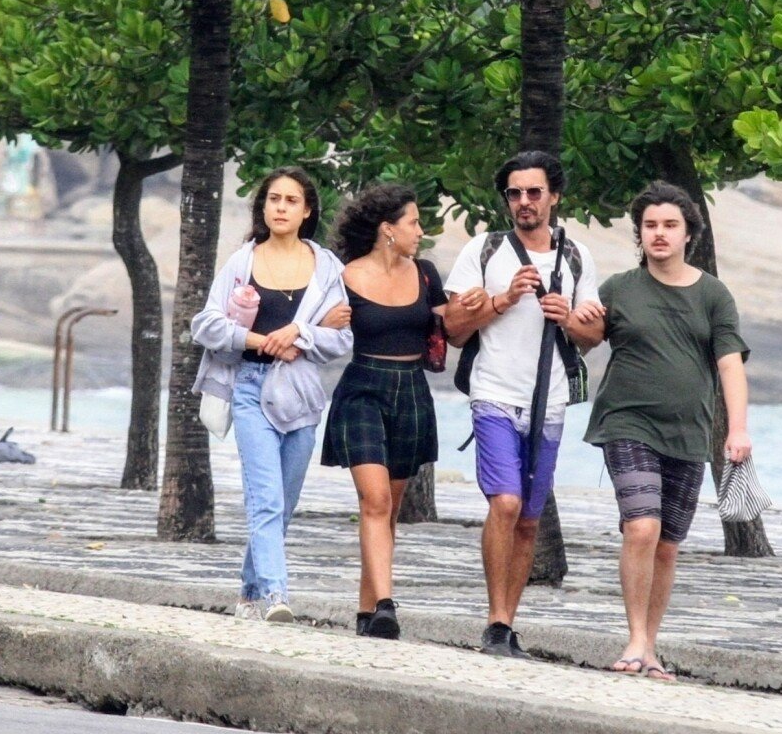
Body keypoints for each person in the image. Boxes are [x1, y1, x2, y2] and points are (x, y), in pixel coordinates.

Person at [576, 180, 752, 682]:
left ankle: (648, 647)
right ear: (639, 233)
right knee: (642, 527)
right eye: (650, 225)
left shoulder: (714, 294)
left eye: (669, 225)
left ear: (687, 233)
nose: (659, 234)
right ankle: (634, 638)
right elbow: (584, 342)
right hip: (626, 422)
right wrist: (579, 322)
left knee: (668, 544)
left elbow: (730, 365)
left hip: (688, 432)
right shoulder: (618, 288)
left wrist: (737, 429)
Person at [443, 151, 602, 658]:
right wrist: (504, 300)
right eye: (515, 193)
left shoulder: (576, 256)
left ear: (554, 196)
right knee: (506, 503)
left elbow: (594, 335)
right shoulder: (483, 251)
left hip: (550, 402)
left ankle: (508, 626)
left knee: (530, 518)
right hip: (494, 394)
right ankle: (493, 622)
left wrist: (569, 319)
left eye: (534, 192)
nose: (524, 202)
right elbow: (452, 327)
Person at [191, 167, 352, 624]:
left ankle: (247, 591)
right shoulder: (243, 261)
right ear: (263, 207)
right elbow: (205, 324)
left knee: (284, 500)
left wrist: (298, 335)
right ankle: (276, 596)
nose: (280, 208)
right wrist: (260, 342)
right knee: (265, 498)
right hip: (249, 388)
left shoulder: (327, 268)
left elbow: (342, 338)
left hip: (301, 394)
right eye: (273, 199)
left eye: (290, 200)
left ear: (307, 211)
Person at [322, 184, 446, 640]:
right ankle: (388, 605)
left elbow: (450, 325)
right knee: (373, 501)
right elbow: (316, 327)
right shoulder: (342, 276)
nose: (420, 231)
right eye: (414, 222)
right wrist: (322, 323)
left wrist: (483, 307)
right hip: (362, 389)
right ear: (387, 230)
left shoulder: (427, 273)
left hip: (411, 391)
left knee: (388, 511)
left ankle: (366, 609)